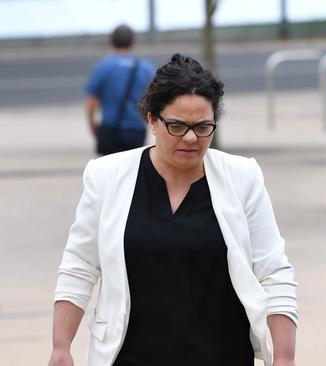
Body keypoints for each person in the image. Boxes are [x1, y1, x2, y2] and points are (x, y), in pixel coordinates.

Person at [48, 54, 297, 366]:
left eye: (203, 126)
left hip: (223, 356)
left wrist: (285, 358)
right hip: (130, 358)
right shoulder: (106, 176)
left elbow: (273, 271)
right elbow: (80, 265)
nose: (191, 138)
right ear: (152, 119)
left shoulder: (242, 177)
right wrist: (61, 347)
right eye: (177, 126)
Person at [85, 24, 155, 155]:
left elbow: (92, 101)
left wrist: (92, 125)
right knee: (133, 171)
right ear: (133, 41)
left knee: (109, 171)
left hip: (110, 128)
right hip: (136, 129)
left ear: (111, 41)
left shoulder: (103, 67)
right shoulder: (145, 68)